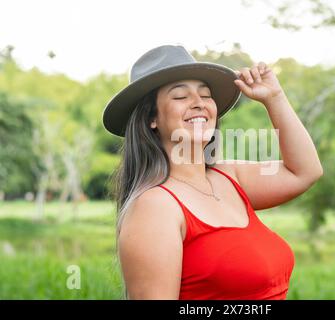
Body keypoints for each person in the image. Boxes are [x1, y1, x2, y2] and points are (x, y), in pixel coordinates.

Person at [102, 44, 323, 300]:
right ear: (152, 117)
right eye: (180, 96)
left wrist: (275, 98)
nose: (199, 104)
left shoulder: (230, 177)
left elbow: (305, 171)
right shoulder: (155, 206)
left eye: (206, 95)